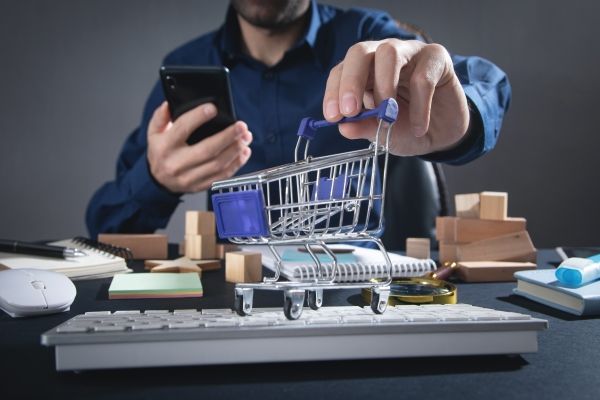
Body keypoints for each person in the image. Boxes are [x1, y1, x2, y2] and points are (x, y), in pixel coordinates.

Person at [86, 0, 511, 239]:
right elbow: (107, 225)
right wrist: (156, 181)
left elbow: (483, 83)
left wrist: (464, 120)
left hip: (357, 291)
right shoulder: (186, 67)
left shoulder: (366, 34)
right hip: (234, 300)